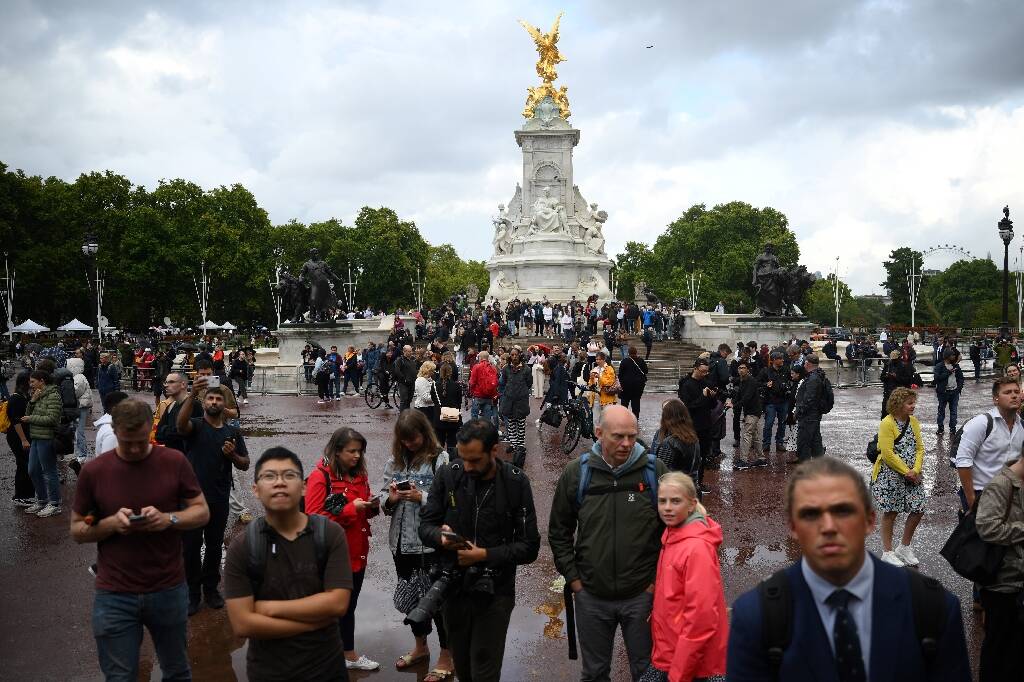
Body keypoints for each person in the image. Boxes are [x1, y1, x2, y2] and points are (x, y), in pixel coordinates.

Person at [727, 457, 971, 681]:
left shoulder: (932, 606)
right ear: (793, 526)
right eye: (811, 514)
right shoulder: (756, 616)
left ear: (870, 521)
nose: (829, 527)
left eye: (842, 511)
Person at [70, 398, 210, 682]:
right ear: (114, 431)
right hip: (115, 592)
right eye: (126, 442)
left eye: (141, 441)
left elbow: (202, 512)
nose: (134, 449)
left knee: (177, 671)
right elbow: (77, 530)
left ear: (150, 430)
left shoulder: (174, 461)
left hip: (167, 587)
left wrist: (168, 519)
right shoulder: (94, 472)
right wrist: (109, 524)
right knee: (120, 676)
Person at [548, 405, 668, 681]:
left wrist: (655, 582)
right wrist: (574, 579)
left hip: (642, 595)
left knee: (648, 671)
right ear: (599, 433)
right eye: (618, 437)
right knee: (594, 673)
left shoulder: (654, 471)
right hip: (591, 594)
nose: (627, 444)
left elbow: (674, 532)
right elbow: (559, 531)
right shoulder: (576, 473)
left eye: (632, 436)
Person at [419, 419, 541, 682]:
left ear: (494, 450)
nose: (467, 467)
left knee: (484, 670)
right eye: (462, 458)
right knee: (463, 667)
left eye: (474, 460)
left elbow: (530, 547)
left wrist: (484, 555)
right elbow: (425, 526)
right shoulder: (449, 474)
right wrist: (440, 538)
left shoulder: (515, 483)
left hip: (496, 591)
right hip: (453, 586)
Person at [222, 447, 353, 681]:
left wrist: (270, 609)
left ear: (304, 487)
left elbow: (337, 603)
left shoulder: (329, 534)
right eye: (269, 476)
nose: (279, 483)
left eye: (289, 475)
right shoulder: (243, 547)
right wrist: (313, 624)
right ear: (255, 489)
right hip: (269, 672)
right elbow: (243, 623)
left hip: (327, 670)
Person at [381, 410, 454, 681]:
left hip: (429, 544)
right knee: (413, 599)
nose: (410, 444)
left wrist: (420, 496)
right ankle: (421, 647)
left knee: (437, 601)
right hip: (400, 542)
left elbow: (448, 501)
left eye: (414, 438)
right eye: (405, 440)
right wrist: (390, 499)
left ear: (424, 433)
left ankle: (447, 655)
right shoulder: (394, 461)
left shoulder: (440, 459)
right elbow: (381, 499)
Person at [304, 428, 381, 672]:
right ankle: (338, 655)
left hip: (357, 553)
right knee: (336, 608)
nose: (357, 456)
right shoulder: (320, 476)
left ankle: (343, 654)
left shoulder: (359, 475)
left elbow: (361, 508)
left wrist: (371, 507)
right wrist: (351, 510)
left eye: (360, 451)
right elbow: (313, 518)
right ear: (337, 451)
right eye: (351, 451)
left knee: (348, 607)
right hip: (333, 556)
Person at [175, 381, 250, 615]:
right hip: (192, 499)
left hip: (219, 497)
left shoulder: (232, 432)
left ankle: (211, 590)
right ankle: (192, 593)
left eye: (218, 399)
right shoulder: (195, 426)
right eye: (210, 399)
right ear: (204, 402)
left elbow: (245, 464)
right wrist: (192, 395)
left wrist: (233, 455)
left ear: (224, 404)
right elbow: (180, 425)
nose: (214, 402)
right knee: (191, 547)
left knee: (215, 546)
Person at [646, 471, 728, 682]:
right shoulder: (674, 534)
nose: (667, 507)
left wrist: (678, 674)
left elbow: (701, 618)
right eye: (662, 501)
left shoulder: (696, 548)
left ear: (692, 505)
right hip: (673, 653)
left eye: (675, 501)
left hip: (692, 665)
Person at [974, 454, 1024, 680]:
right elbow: (987, 528)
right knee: (998, 649)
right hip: (1002, 584)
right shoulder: (1000, 485)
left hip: (1018, 580)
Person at [871, 387, 925, 567]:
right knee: (891, 512)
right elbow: (887, 453)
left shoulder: (914, 422)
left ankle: (904, 547)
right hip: (891, 474)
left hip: (912, 473)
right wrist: (906, 471)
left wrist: (915, 469)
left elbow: (920, 448)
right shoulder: (887, 423)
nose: (913, 406)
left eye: (913, 402)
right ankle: (887, 551)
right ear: (898, 404)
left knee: (918, 508)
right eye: (909, 403)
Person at [955, 376, 1024, 511]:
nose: (1014, 396)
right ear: (995, 399)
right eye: (1008, 392)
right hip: (982, 493)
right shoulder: (981, 423)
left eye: (1017, 392)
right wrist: (971, 501)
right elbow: (963, 461)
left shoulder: (1021, 426)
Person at [21, 369, 64, 517]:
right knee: (33, 470)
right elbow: (27, 413)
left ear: (42, 381)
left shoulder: (53, 396)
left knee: (49, 471)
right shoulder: (37, 394)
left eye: (33, 381)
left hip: (47, 438)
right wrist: (32, 400)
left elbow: (52, 419)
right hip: (36, 437)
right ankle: (42, 499)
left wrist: (31, 419)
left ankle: (55, 503)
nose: (30, 384)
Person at [678, 358, 717, 494]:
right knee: (690, 455)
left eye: (707, 372)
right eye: (702, 371)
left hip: (706, 424)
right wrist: (703, 396)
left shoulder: (706, 383)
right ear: (695, 369)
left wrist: (712, 397)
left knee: (702, 455)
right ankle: (688, 483)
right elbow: (689, 406)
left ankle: (699, 482)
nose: (705, 374)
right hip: (692, 425)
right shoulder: (686, 384)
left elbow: (712, 406)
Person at [651, 399, 701, 484]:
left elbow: (661, 473)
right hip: (689, 485)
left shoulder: (669, 443)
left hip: (673, 488)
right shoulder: (692, 437)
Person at [499, 348, 532, 467]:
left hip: (521, 400)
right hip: (509, 400)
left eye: (516, 355)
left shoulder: (526, 369)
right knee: (511, 424)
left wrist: (521, 391)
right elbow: (503, 382)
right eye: (512, 355)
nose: (514, 357)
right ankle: (513, 444)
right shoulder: (506, 369)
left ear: (520, 355)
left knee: (521, 424)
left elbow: (529, 383)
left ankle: (520, 446)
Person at [734, 361, 768, 470]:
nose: (741, 370)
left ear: (748, 369)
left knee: (746, 434)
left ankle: (743, 460)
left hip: (753, 412)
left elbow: (747, 397)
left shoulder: (751, 381)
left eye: (743, 368)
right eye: (739, 368)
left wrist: (735, 405)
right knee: (755, 435)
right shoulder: (742, 381)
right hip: (751, 411)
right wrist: (733, 402)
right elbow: (739, 395)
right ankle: (761, 459)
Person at [7, 370, 34, 506]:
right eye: (30, 381)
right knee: (23, 464)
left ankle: (27, 493)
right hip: (17, 435)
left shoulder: (22, 396)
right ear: (25, 383)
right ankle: (20, 495)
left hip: (21, 434)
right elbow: (16, 421)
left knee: (25, 463)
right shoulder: (16, 398)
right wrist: (23, 439)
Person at [793, 354, 826, 461]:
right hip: (814, 414)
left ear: (807, 363)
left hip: (808, 415)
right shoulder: (818, 375)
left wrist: (799, 411)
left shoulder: (813, 378)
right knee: (815, 441)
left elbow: (809, 399)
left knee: (804, 442)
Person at [434, 362, 464, 454]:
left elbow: (434, 400)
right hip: (453, 417)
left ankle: (438, 465)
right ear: (451, 373)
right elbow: (459, 402)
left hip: (439, 417)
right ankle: (451, 464)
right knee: (452, 444)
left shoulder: (434, 385)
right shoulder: (457, 386)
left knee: (438, 445)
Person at [618, 346, 648, 420]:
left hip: (626, 386)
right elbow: (646, 371)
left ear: (628, 353)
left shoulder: (624, 361)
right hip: (638, 386)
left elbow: (620, 374)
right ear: (636, 352)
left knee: (624, 403)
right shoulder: (641, 360)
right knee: (636, 403)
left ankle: (623, 418)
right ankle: (635, 418)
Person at [414, 360, 439, 424]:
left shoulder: (429, 379)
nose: (433, 372)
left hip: (429, 408)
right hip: (423, 409)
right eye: (432, 370)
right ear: (427, 370)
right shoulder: (421, 380)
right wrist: (438, 398)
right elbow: (425, 398)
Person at [395, 344, 419, 410]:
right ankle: (402, 416)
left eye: (411, 351)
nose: (411, 352)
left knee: (409, 399)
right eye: (409, 351)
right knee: (404, 400)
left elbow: (416, 369)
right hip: (403, 384)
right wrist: (404, 379)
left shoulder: (413, 359)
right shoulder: (400, 360)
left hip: (412, 382)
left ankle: (407, 414)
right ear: (404, 351)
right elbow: (397, 371)